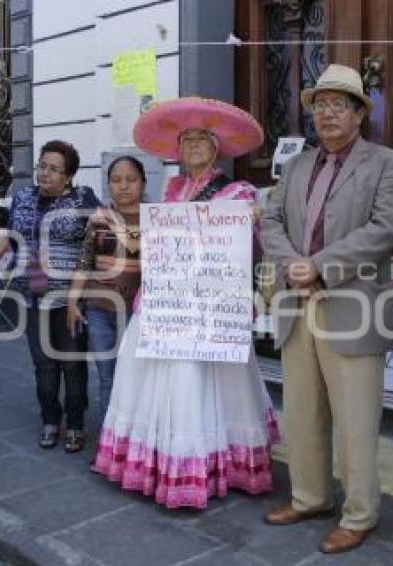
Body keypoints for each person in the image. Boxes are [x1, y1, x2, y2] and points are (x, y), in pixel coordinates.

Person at [91, 97, 280, 508]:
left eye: (202, 139)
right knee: (165, 377)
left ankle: (210, 466)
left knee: (198, 380)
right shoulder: (173, 189)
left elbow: (245, 248)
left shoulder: (238, 192)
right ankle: (161, 463)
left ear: (217, 148)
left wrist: (248, 222)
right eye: (186, 140)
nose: (192, 146)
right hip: (169, 303)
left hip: (210, 307)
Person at [260, 63, 393, 554]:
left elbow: (384, 231)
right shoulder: (298, 164)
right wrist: (293, 266)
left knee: (355, 419)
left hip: (353, 305)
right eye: (320, 105)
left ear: (359, 114)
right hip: (297, 304)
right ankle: (310, 496)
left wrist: (318, 265)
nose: (327, 114)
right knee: (302, 411)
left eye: (338, 105)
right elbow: (271, 220)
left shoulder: (387, 164)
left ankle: (359, 513)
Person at [9, 140, 100, 452]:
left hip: (69, 301)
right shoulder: (22, 197)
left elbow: (99, 239)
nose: (44, 173)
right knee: (43, 364)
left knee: (72, 364)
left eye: (54, 168)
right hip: (33, 298)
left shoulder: (82, 198)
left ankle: (75, 424)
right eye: (42, 165)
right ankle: (51, 419)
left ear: (69, 175)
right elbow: (12, 239)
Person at [67, 156, 144, 430]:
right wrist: (73, 301)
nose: (123, 186)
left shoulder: (155, 219)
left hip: (134, 313)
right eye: (116, 180)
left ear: (143, 183)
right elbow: (84, 261)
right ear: (109, 185)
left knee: (132, 377)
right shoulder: (99, 217)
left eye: (131, 179)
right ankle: (108, 442)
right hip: (99, 310)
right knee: (107, 377)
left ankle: (132, 439)